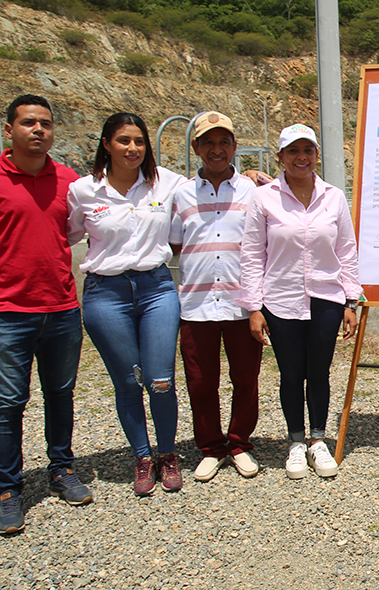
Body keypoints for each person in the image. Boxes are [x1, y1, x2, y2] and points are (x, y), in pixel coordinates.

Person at [0, 94, 92, 534]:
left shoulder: (68, 181)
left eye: (46, 124)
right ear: (10, 129)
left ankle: (61, 468)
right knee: (9, 403)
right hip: (7, 312)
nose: (38, 130)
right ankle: (9, 490)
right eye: (29, 123)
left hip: (62, 309)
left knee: (61, 393)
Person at [67, 112, 190, 497]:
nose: (132, 148)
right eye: (123, 140)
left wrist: (251, 178)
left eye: (139, 141)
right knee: (127, 381)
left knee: (160, 379)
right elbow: (67, 233)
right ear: (106, 144)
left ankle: (167, 453)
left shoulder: (166, 182)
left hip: (156, 288)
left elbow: (209, 185)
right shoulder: (83, 190)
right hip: (106, 294)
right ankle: (142, 456)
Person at [238, 123, 361, 480]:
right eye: (293, 151)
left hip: (326, 299)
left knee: (318, 372)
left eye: (307, 150)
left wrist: (351, 300)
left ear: (316, 156)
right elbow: (252, 255)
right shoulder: (264, 198)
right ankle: (295, 442)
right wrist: (254, 307)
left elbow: (346, 250)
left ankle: (318, 439)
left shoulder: (334, 197)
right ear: (280, 157)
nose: (301, 158)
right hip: (280, 300)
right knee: (291, 374)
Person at [170, 112, 263, 483]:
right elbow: (177, 245)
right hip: (196, 304)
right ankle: (211, 447)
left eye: (224, 141)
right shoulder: (180, 194)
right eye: (208, 142)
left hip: (242, 304)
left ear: (235, 147)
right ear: (196, 148)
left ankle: (239, 442)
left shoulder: (252, 191)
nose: (216, 149)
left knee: (246, 377)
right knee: (201, 381)